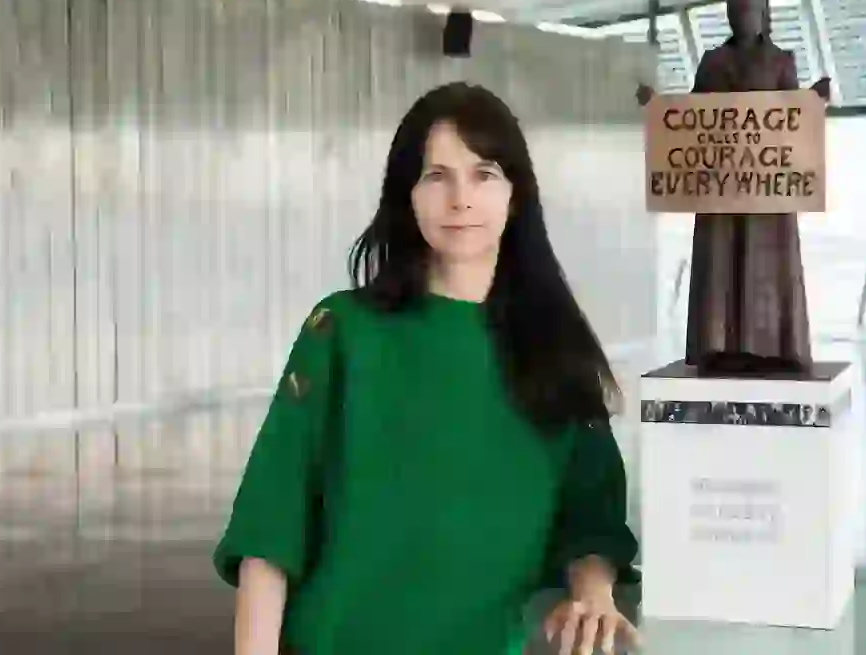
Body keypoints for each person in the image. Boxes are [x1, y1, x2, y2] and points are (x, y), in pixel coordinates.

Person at [212, 82, 640, 655]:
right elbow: (272, 524)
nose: (460, 198)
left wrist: (594, 594)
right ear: (407, 196)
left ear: (516, 196)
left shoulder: (555, 350)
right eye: (436, 176)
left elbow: (592, 511)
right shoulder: (342, 331)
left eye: (484, 173)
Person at [684, 0, 830, 374]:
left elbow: (792, 118)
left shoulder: (781, 61)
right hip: (723, 187)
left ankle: (774, 347)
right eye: (735, 9)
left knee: (768, 265)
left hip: (766, 187)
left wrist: (813, 101)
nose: (742, 15)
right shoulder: (712, 63)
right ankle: (720, 347)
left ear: (763, 13)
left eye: (748, 8)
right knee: (721, 264)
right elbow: (687, 122)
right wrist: (656, 108)